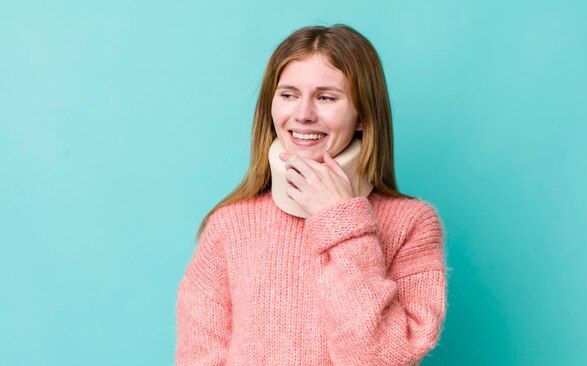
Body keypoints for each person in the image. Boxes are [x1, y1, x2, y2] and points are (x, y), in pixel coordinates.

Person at [176, 24, 448, 365]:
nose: (303, 114)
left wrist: (343, 224)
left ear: (363, 115)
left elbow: (381, 358)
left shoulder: (413, 224)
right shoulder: (229, 225)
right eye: (288, 94)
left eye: (326, 97)